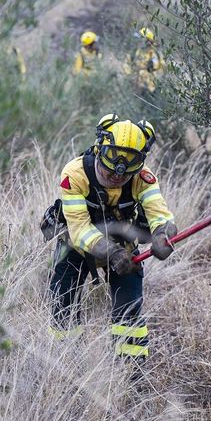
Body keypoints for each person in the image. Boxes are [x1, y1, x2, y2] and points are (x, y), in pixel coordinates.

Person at [48, 114, 178, 361]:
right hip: (76, 248)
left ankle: (132, 371)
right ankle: (63, 362)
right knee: (62, 303)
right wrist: (113, 253)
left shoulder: (143, 178)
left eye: (129, 164)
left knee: (129, 311)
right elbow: (79, 230)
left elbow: (159, 214)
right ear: (100, 147)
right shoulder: (74, 174)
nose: (118, 172)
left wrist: (163, 234)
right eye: (113, 159)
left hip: (124, 249)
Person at [123, 27, 164, 93]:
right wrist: (130, 77)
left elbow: (161, 70)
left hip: (150, 90)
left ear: (148, 41)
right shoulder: (134, 52)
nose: (139, 42)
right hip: (135, 89)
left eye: (141, 39)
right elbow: (127, 66)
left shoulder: (154, 54)